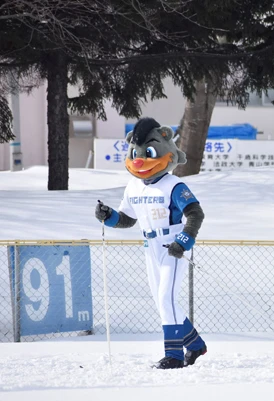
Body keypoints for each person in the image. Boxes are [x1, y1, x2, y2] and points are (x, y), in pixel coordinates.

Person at [95, 117, 207, 369]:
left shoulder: (173, 185)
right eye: (136, 152)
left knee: (166, 299)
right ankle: (196, 344)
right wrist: (108, 216)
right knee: (161, 301)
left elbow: (195, 213)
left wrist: (183, 240)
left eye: (149, 152)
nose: (140, 158)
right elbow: (127, 219)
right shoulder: (134, 186)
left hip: (172, 246)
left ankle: (175, 356)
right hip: (150, 247)